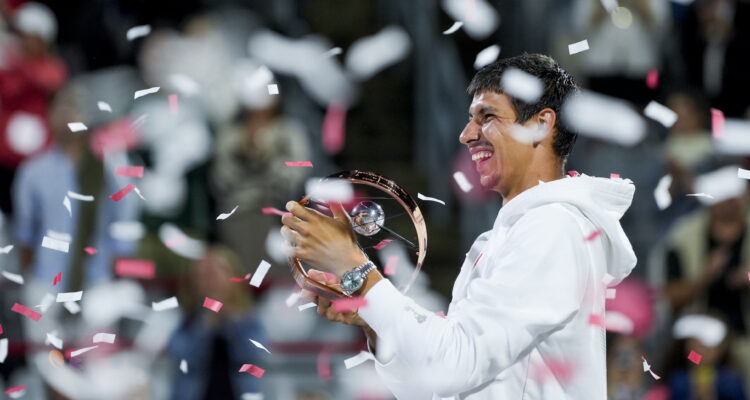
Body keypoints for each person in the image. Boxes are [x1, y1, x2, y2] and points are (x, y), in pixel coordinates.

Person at [281, 53, 637, 398]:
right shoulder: (496, 240)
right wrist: (376, 321)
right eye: (470, 118)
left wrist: (357, 269)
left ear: (540, 124)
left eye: (487, 116)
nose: (466, 134)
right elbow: (433, 386)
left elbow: (457, 364)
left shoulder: (553, 228)